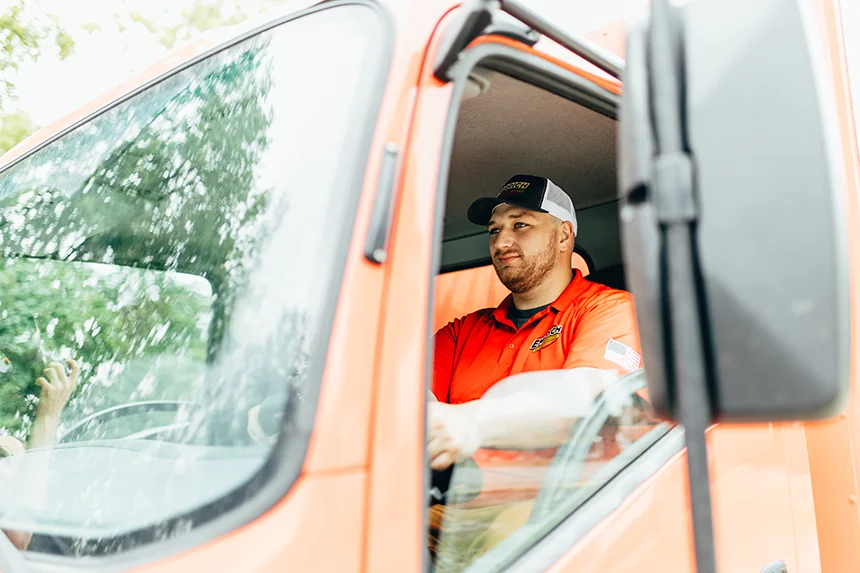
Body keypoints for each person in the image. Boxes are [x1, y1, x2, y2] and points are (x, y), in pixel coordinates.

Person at [428, 173, 644, 471]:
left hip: (559, 511)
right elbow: (407, 391)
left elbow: (589, 394)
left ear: (564, 236)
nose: (501, 242)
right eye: (494, 230)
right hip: (453, 511)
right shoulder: (463, 330)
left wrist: (471, 422)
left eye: (520, 225)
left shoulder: (609, 309)